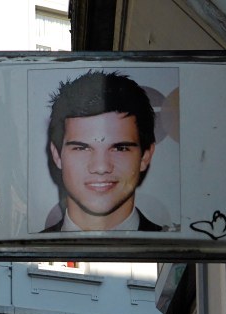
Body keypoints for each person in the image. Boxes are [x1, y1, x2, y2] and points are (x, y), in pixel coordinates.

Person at [42, 70, 165, 232]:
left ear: (145, 156)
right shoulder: (25, 252)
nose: (101, 167)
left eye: (120, 148)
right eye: (82, 148)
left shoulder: (181, 250)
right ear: (57, 155)